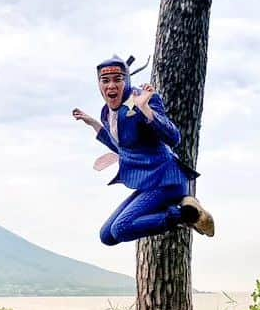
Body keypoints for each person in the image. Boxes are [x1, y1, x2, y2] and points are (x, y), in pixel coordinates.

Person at [72, 55, 214, 245]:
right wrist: (93, 124)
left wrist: (145, 109)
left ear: (127, 80)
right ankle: (179, 206)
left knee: (121, 229)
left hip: (166, 180)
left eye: (117, 79)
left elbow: (174, 138)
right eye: (105, 81)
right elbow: (123, 147)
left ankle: (187, 214)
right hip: (148, 183)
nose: (111, 86)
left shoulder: (142, 99)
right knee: (107, 236)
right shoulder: (107, 113)